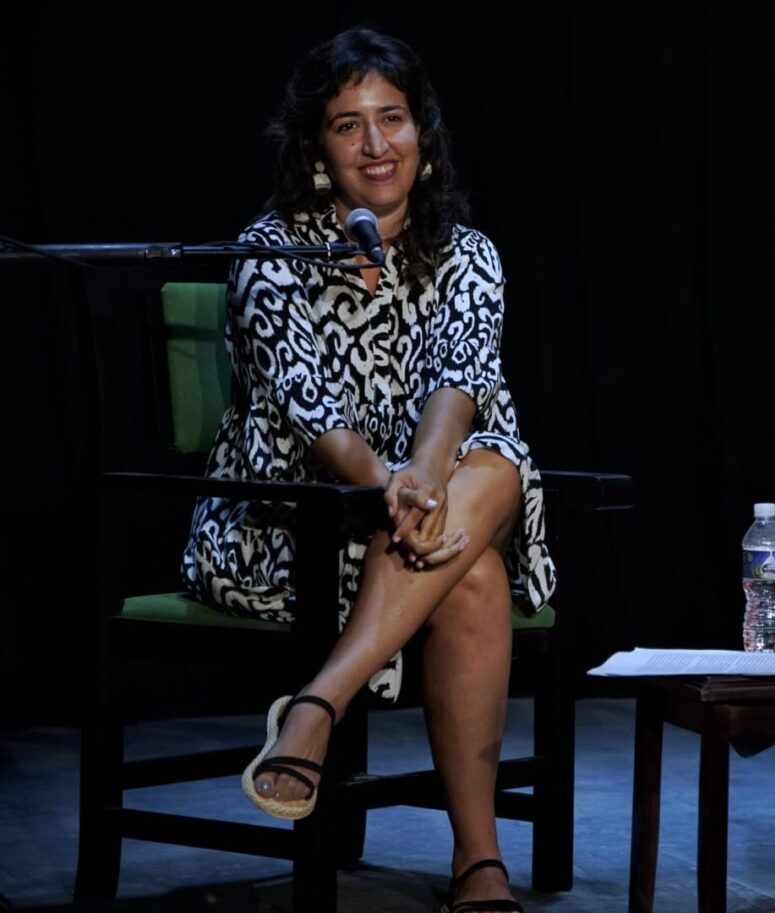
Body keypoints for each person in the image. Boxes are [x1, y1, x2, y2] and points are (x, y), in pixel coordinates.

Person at [181, 26, 547, 913]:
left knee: (490, 458)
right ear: (315, 146)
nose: (377, 145)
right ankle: (478, 858)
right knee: (475, 572)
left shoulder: (469, 252)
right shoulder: (270, 250)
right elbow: (315, 414)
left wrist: (415, 480)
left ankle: (316, 704)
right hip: (295, 526)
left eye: (393, 118)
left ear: (424, 133)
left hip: (430, 501)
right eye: (349, 125)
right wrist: (389, 485)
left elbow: (461, 384)